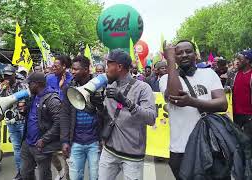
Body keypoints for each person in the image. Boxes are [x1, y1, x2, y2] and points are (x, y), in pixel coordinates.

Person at [160, 40, 228, 180]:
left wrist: (192, 101)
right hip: (181, 150)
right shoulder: (166, 78)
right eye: (179, 53)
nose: (184, 55)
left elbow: (222, 104)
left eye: (188, 51)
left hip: (210, 147)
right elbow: (175, 96)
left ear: (195, 54)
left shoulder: (209, 74)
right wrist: (170, 61)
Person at [98, 49, 157, 180]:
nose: (106, 69)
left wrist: (126, 102)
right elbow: (105, 114)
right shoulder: (107, 85)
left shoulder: (143, 88)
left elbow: (151, 118)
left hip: (132, 155)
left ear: (119, 67)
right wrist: (96, 105)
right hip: (109, 151)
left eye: (108, 65)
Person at [61, 56, 104, 180]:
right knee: (75, 177)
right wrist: (64, 141)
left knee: (95, 176)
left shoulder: (99, 87)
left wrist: (104, 138)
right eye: (72, 69)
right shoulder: (68, 88)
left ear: (86, 70)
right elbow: (64, 116)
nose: (72, 72)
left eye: (76, 69)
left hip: (94, 142)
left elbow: (106, 114)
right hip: (75, 142)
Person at [20, 72, 62, 180]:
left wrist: (44, 140)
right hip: (27, 143)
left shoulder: (52, 100)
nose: (28, 86)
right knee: (25, 173)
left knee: (44, 175)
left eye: (29, 83)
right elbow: (34, 116)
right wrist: (25, 111)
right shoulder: (33, 96)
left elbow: (59, 123)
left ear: (37, 84)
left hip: (41, 145)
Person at [0, 65, 28, 180]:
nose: (6, 78)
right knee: (16, 148)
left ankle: (28, 169)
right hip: (11, 122)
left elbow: (27, 96)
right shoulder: (3, 87)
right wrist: (2, 89)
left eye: (9, 76)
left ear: (14, 75)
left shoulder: (22, 85)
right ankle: (20, 171)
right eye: (5, 76)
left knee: (26, 147)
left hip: (22, 120)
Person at [46, 55, 72, 178]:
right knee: (50, 151)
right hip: (51, 120)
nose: (53, 67)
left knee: (66, 152)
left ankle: (67, 176)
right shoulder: (48, 78)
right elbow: (48, 96)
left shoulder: (72, 79)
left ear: (64, 67)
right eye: (53, 65)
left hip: (66, 120)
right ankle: (60, 170)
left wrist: (61, 88)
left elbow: (68, 100)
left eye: (56, 66)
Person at [232, 50, 252, 138]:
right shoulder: (235, 74)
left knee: (247, 141)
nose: (237, 61)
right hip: (236, 114)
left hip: (249, 116)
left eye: (240, 59)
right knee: (237, 140)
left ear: (247, 60)